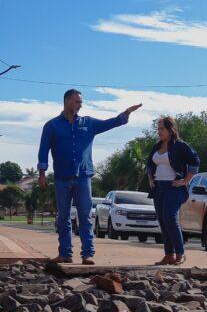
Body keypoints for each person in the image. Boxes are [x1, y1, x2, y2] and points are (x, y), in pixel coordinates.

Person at [38, 89, 141, 264]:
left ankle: (88, 254)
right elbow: (43, 149)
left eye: (81, 102)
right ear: (67, 101)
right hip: (62, 178)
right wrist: (42, 172)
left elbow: (111, 123)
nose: (80, 105)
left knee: (85, 216)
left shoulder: (89, 123)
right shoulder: (52, 126)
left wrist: (125, 114)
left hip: (83, 177)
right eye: (77, 101)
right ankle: (65, 253)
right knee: (63, 217)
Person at [145, 116, 201, 266]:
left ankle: (180, 253)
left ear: (171, 130)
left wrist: (185, 181)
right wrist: (151, 179)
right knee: (162, 221)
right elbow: (149, 163)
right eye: (158, 129)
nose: (159, 132)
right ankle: (168, 255)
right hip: (158, 188)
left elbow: (195, 161)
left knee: (170, 217)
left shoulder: (180, 146)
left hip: (174, 187)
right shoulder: (156, 146)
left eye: (162, 129)